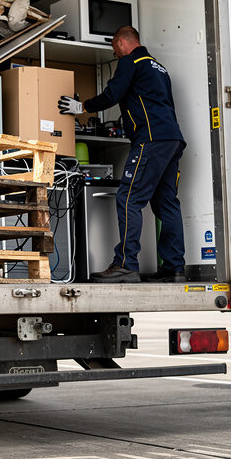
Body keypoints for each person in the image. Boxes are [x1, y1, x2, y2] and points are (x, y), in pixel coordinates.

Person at [58, 26, 186, 284]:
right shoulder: (159, 68)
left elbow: (112, 94)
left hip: (150, 140)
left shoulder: (131, 61)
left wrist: (82, 107)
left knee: (128, 198)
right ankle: (174, 268)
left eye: (114, 49)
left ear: (120, 43)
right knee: (167, 204)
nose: (115, 55)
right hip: (172, 139)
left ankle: (126, 265)